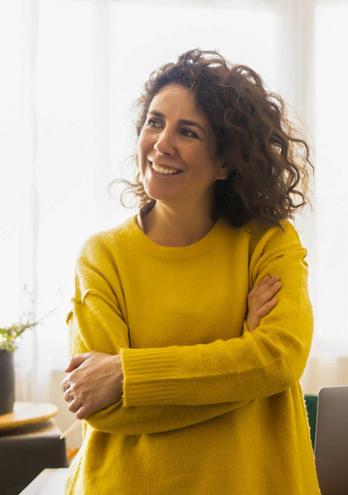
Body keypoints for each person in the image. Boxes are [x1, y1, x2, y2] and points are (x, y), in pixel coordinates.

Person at [60, 49, 320, 494]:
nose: (162, 143)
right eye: (154, 122)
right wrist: (243, 355)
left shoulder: (268, 241)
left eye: (188, 131)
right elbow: (100, 406)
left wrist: (127, 374)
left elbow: (279, 358)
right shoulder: (101, 257)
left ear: (225, 161)